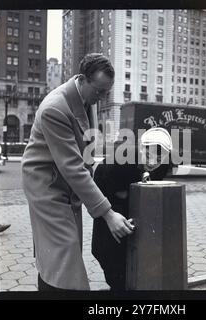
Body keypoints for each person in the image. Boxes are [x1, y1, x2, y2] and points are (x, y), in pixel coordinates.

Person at [21, 53, 134, 291]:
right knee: (66, 258)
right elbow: (73, 167)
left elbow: (86, 158)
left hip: (66, 184)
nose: (101, 99)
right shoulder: (55, 109)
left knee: (58, 256)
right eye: (99, 91)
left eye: (106, 93)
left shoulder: (85, 99)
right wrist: (108, 214)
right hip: (47, 186)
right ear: (82, 79)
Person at [92, 128, 173, 290]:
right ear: (141, 148)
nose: (153, 161)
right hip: (111, 204)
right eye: (149, 154)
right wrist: (112, 209)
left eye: (159, 157)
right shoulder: (120, 160)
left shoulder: (164, 165)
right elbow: (97, 179)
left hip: (133, 209)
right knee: (110, 255)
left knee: (133, 260)